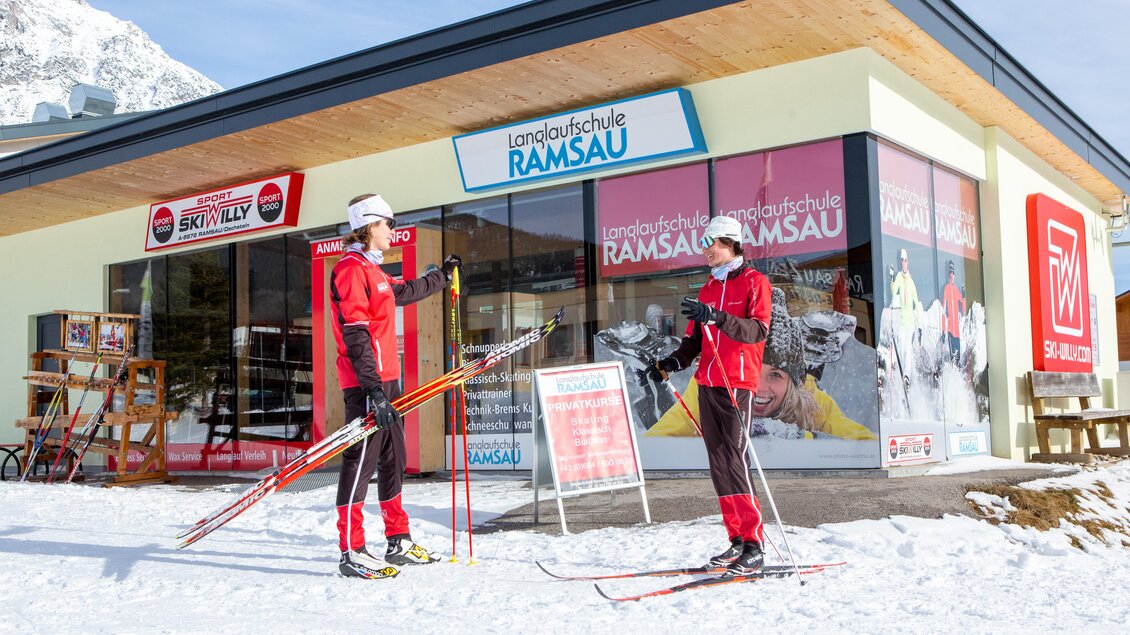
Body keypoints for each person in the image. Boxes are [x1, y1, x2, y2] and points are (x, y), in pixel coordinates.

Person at [330, 193, 462, 579]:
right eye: (389, 224)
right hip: (365, 386)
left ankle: (397, 538)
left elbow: (403, 292)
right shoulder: (350, 270)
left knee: (393, 460)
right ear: (370, 226)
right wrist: (371, 390)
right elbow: (355, 334)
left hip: (387, 383)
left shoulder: (374, 270)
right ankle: (351, 549)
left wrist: (442, 275)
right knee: (360, 464)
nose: (394, 230)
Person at [637, 215, 771, 576]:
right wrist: (668, 363)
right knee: (717, 461)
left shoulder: (756, 282)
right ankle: (738, 540)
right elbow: (694, 340)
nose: (704, 249)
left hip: (737, 383)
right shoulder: (708, 288)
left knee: (735, 459)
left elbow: (756, 331)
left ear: (728, 242)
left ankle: (755, 543)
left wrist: (717, 317)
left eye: (708, 242)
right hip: (708, 382)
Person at [888, 248, 921, 328]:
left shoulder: (911, 281)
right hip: (902, 323)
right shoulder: (899, 276)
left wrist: (919, 325)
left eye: (905, 260)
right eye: (902, 260)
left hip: (910, 323)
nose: (903, 263)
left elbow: (916, 302)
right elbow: (893, 292)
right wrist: (891, 278)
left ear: (907, 262)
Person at [941, 260, 966, 362]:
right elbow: (943, 310)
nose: (952, 275)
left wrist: (964, 296)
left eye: (953, 273)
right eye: (950, 273)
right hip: (950, 330)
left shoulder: (956, 290)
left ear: (954, 275)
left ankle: (957, 376)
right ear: (948, 275)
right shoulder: (946, 288)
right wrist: (943, 329)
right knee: (952, 358)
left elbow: (963, 310)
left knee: (958, 359)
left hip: (957, 332)